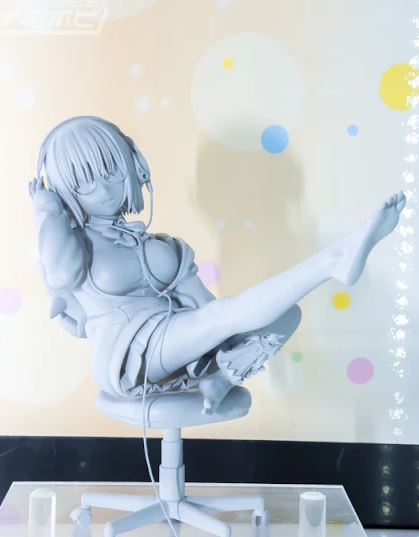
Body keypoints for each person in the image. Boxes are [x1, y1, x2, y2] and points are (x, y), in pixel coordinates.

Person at [29, 116, 406, 415]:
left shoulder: (162, 246)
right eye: (86, 183)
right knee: (224, 317)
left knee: (285, 314)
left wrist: (233, 339)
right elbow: (60, 276)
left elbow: (205, 305)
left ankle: (220, 379)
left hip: (181, 337)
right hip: (129, 356)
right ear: (64, 192)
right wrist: (47, 210)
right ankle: (332, 260)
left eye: (111, 171)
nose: (105, 189)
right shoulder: (73, 245)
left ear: (135, 165)